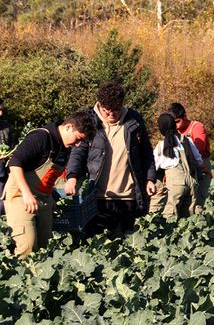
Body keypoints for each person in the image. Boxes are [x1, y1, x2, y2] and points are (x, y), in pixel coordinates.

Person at [65, 81, 157, 237]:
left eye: (116, 110)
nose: (111, 115)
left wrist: (150, 178)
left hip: (127, 196)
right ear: (100, 105)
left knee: (126, 243)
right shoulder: (89, 121)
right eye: (107, 111)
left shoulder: (134, 120)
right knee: (95, 243)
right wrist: (72, 176)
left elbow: (146, 152)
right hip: (97, 195)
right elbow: (78, 151)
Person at [2, 112, 96, 258]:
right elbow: (15, 163)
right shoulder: (41, 137)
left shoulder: (64, 146)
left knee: (45, 247)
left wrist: (49, 196)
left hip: (43, 198)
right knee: (27, 246)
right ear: (69, 127)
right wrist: (26, 194)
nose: (77, 145)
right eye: (78, 139)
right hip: (20, 196)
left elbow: (48, 174)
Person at [153, 113, 203, 220]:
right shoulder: (187, 140)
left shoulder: (161, 146)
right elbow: (199, 161)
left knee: (170, 217)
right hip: (192, 184)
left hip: (175, 186)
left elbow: (153, 167)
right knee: (190, 218)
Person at [168, 103, 211, 213]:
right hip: (183, 173)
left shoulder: (197, 128)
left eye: (177, 121)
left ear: (185, 116)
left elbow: (198, 153)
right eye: (173, 123)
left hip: (200, 170)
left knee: (197, 205)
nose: (176, 125)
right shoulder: (175, 131)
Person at [0, 98, 12, 214]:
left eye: (2, 110)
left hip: (3, 171)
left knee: (2, 204)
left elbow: (11, 144)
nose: (1, 113)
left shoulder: (6, 126)